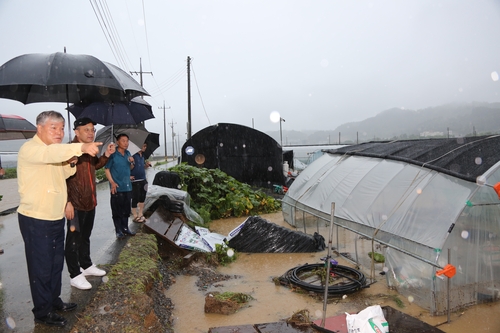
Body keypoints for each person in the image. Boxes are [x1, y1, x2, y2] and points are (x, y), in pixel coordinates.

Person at [17, 111, 102, 327]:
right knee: (41, 267)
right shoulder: (32, 149)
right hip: (36, 219)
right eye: (53, 127)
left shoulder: (51, 153)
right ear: (40, 128)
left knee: (55, 265)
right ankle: (42, 312)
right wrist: (81, 148)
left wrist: (70, 163)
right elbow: (51, 155)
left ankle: (54, 301)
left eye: (61, 128)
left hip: (54, 217)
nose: (59, 132)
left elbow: (61, 173)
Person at [65, 117, 116, 290]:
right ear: (76, 131)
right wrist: (67, 202)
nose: (90, 133)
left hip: (89, 201)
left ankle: (86, 265)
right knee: (73, 240)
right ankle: (74, 274)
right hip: (75, 204)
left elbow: (96, 165)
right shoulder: (69, 150)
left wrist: (106, 155)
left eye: (92, 130)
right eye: (86, 129)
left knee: (85, 236)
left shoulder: (89, 150)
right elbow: (60, 178)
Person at [105, 133, 136, 238]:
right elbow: (107, 169)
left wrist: (132, 162)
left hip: (127, 186)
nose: (126, 143)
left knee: (126, 210)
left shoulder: (128, 153)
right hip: (116, 187)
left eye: (127, 141)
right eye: (123, 141)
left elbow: (130, 169)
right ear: (117, 142)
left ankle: (125, 228)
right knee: (117, 210)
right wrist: (112, 182)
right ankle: (118, 230)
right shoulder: (113, 154)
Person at [130, 143, 152, 223]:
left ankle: (140, 214)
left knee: (142, 197)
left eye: (145, 146)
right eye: (143, 146)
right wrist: (131, 162)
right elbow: (129, 167)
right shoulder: (132, 156)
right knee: (135, 198)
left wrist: (146, 165)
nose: (144, 147)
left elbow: (141, 166)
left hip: (143, 180)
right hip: (135, 180)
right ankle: (135, 216)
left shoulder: (142, 156)